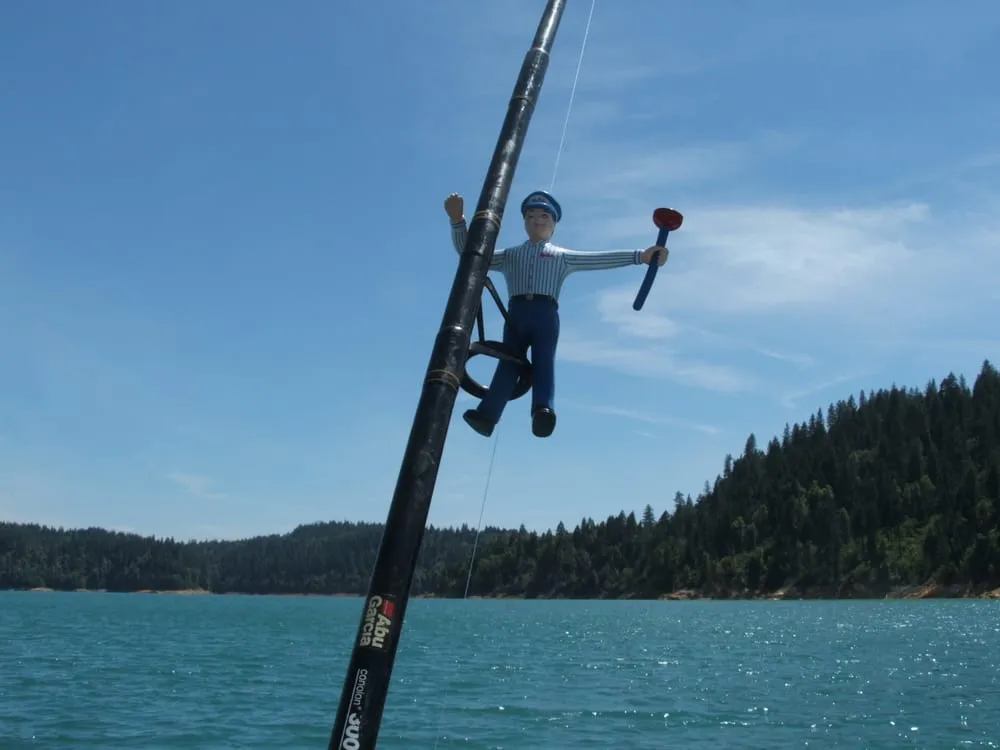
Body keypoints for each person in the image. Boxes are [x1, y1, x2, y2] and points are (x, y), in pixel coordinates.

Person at [445, 189, 668, 439]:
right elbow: (471, 255)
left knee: (544, 361)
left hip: (546, 313)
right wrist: (457, 221)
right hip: (515, 314)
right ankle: (487, 415)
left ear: (554, 224)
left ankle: (543, 409)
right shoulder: (509, 255)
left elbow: (597, 259)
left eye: (543, 216)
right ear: (524, 222)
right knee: (508, 363)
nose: (537, 220)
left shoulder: (561, 257)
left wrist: (641, 256)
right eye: (531, 216)